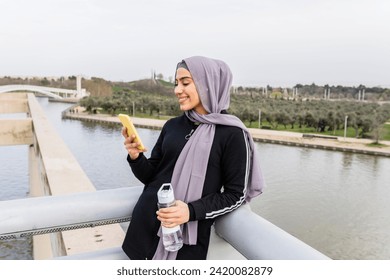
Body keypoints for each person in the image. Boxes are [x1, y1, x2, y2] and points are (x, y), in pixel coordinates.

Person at [121, 56, 264, 260]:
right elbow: (152, 176)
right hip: (142, 232)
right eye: (176, 83)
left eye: (185, 83)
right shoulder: (172, 125)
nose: (177, 90)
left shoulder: (232, 134)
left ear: (208, 84)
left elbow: (235, 195)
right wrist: (136, 157)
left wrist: (190, 211)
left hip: (184, 245)